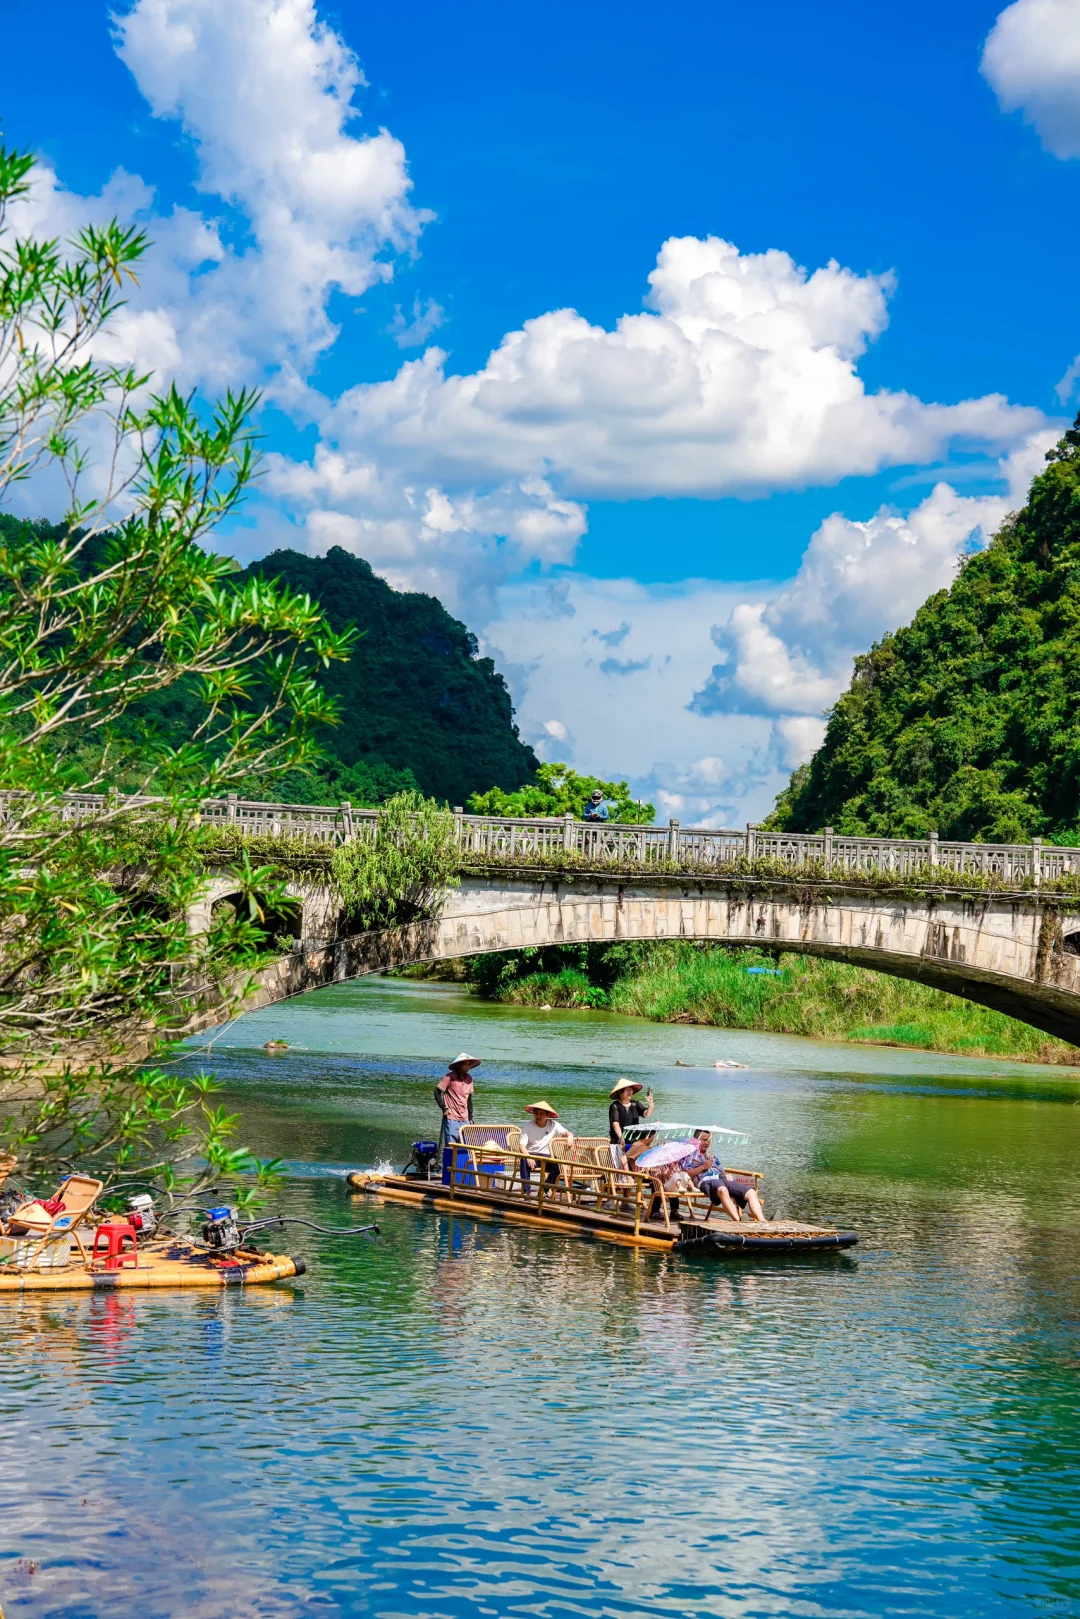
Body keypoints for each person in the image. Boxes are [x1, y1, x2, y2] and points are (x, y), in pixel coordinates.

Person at [518, 1101, 573, 1190]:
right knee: (524, 1160)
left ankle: (544, 1190)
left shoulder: (553, 1125)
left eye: (541, 1114)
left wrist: (570, 1136)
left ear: (547, 1115)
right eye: (536, 1113)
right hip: (531, 1153)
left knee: (558, 1166)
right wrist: (528, 1157)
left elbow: (566, 1132)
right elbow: (522, 1145)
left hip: (546, 1156)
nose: (538, 1116)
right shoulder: (527, 1126)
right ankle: (526, 1191)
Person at [435, 1053, 479, 1145]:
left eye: (468, 1064)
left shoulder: (469, 1078)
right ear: (458, 1065)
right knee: (451, 1146)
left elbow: (469, 1099)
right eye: (464, 1064)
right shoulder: (450, 1077)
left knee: (464, 1147)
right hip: (451, 1117)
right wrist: (444, 1108)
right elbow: (437, 1092)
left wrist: (470, 1117)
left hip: (465, 1118)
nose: (467, 1067)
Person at [608, 1080, 654, 1154]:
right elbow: (615, 1124)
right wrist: (621, 1138)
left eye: (631, 1089)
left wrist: (650, 1104)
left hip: (634, 1141)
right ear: (620, 1092)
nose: (630, 1092)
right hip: (619, 1141)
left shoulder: (635, 1104)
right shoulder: (615, 1106)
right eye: (627, 1090)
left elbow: (647, 1114)